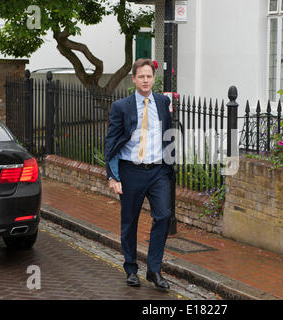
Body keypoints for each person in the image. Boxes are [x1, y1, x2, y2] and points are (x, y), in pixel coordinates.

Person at [105, 59, 175, 289]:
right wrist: (113, 177)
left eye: (149, 76)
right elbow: (112, 143)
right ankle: (131, 268)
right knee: (130, 221)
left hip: (158, 171)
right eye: (141, 76)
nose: (146, 80)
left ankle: (154, 270)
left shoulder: (163, 102)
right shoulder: (121, 107)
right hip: (131, 171)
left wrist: (170, 165)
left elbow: (169, 134)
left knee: (164, 216)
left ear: (153, 79)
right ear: (133, 79)